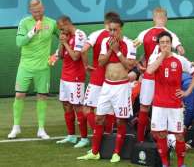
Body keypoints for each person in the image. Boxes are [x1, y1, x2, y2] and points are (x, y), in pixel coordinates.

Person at [77, 17, 137, 163]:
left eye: (114, 30)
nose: (111, 32)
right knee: (99, 117)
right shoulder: (105, 42)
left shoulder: (130, 43)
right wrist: (111, 49)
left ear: (120, 29)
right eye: (110, 29)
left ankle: (116, 153)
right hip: (107, 86)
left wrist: (117, 51)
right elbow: (101, 62)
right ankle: (95, 151)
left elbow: (129, 66)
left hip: (122, 87)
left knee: (121, 121)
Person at [146, 31, 194, 167]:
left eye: (167, 42)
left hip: (175, 105)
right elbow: (149, 71)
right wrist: (162, 56)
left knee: (179, 136)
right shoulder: (155, 58)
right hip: (159, 104)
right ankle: (165, 164)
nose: (165, 45)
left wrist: (187, 92)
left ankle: (181, 164)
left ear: (171, 44)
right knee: (161, 135)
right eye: (162, 42)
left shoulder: (180, 60)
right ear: (158, 44)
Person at [133, 7, 185, 142]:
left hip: (150, 74)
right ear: (166, 18)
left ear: (153, 18)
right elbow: (181, 50)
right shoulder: (170, 34)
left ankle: (140, 141)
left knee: (145, 106)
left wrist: (137, 64)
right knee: (166, 107)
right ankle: (169, 142)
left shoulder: (144, 33)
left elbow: (132, 47)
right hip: (163, 77)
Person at [8, 0, 58, 139]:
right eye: (35, 11)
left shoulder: (52, 23)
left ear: (44, 8)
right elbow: (19, 42)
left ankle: (41, 129)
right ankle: (16, 127)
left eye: (40, 10)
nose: (38, 13)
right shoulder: (24, 23)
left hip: (43, 68)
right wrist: (33, 31)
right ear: (30, 11)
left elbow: (63, 39)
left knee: (42, 97)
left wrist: (56, 55)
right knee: (19, 95)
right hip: (25, 66)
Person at [81, 12, 120, 134]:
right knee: (109, 110)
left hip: (97, 77)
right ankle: (107, 137)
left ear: (105, 22)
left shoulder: (96, 35)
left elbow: (83, 51)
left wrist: (86, 66)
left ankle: (99, 136)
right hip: (112, 78)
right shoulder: (121, 38)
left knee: (88, 109)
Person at [54, 16, 89, 148]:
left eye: (62, 28)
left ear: (67, 23)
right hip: (65, 76)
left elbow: (75, 56)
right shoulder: (66, 36)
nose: (61, 31)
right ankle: (71, 136)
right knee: (66, 104)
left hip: (76, 78)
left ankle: (84, 138)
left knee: (77, 106)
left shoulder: (80, 35)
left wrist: (66, 43)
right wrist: (62, 42)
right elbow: (62, 56)